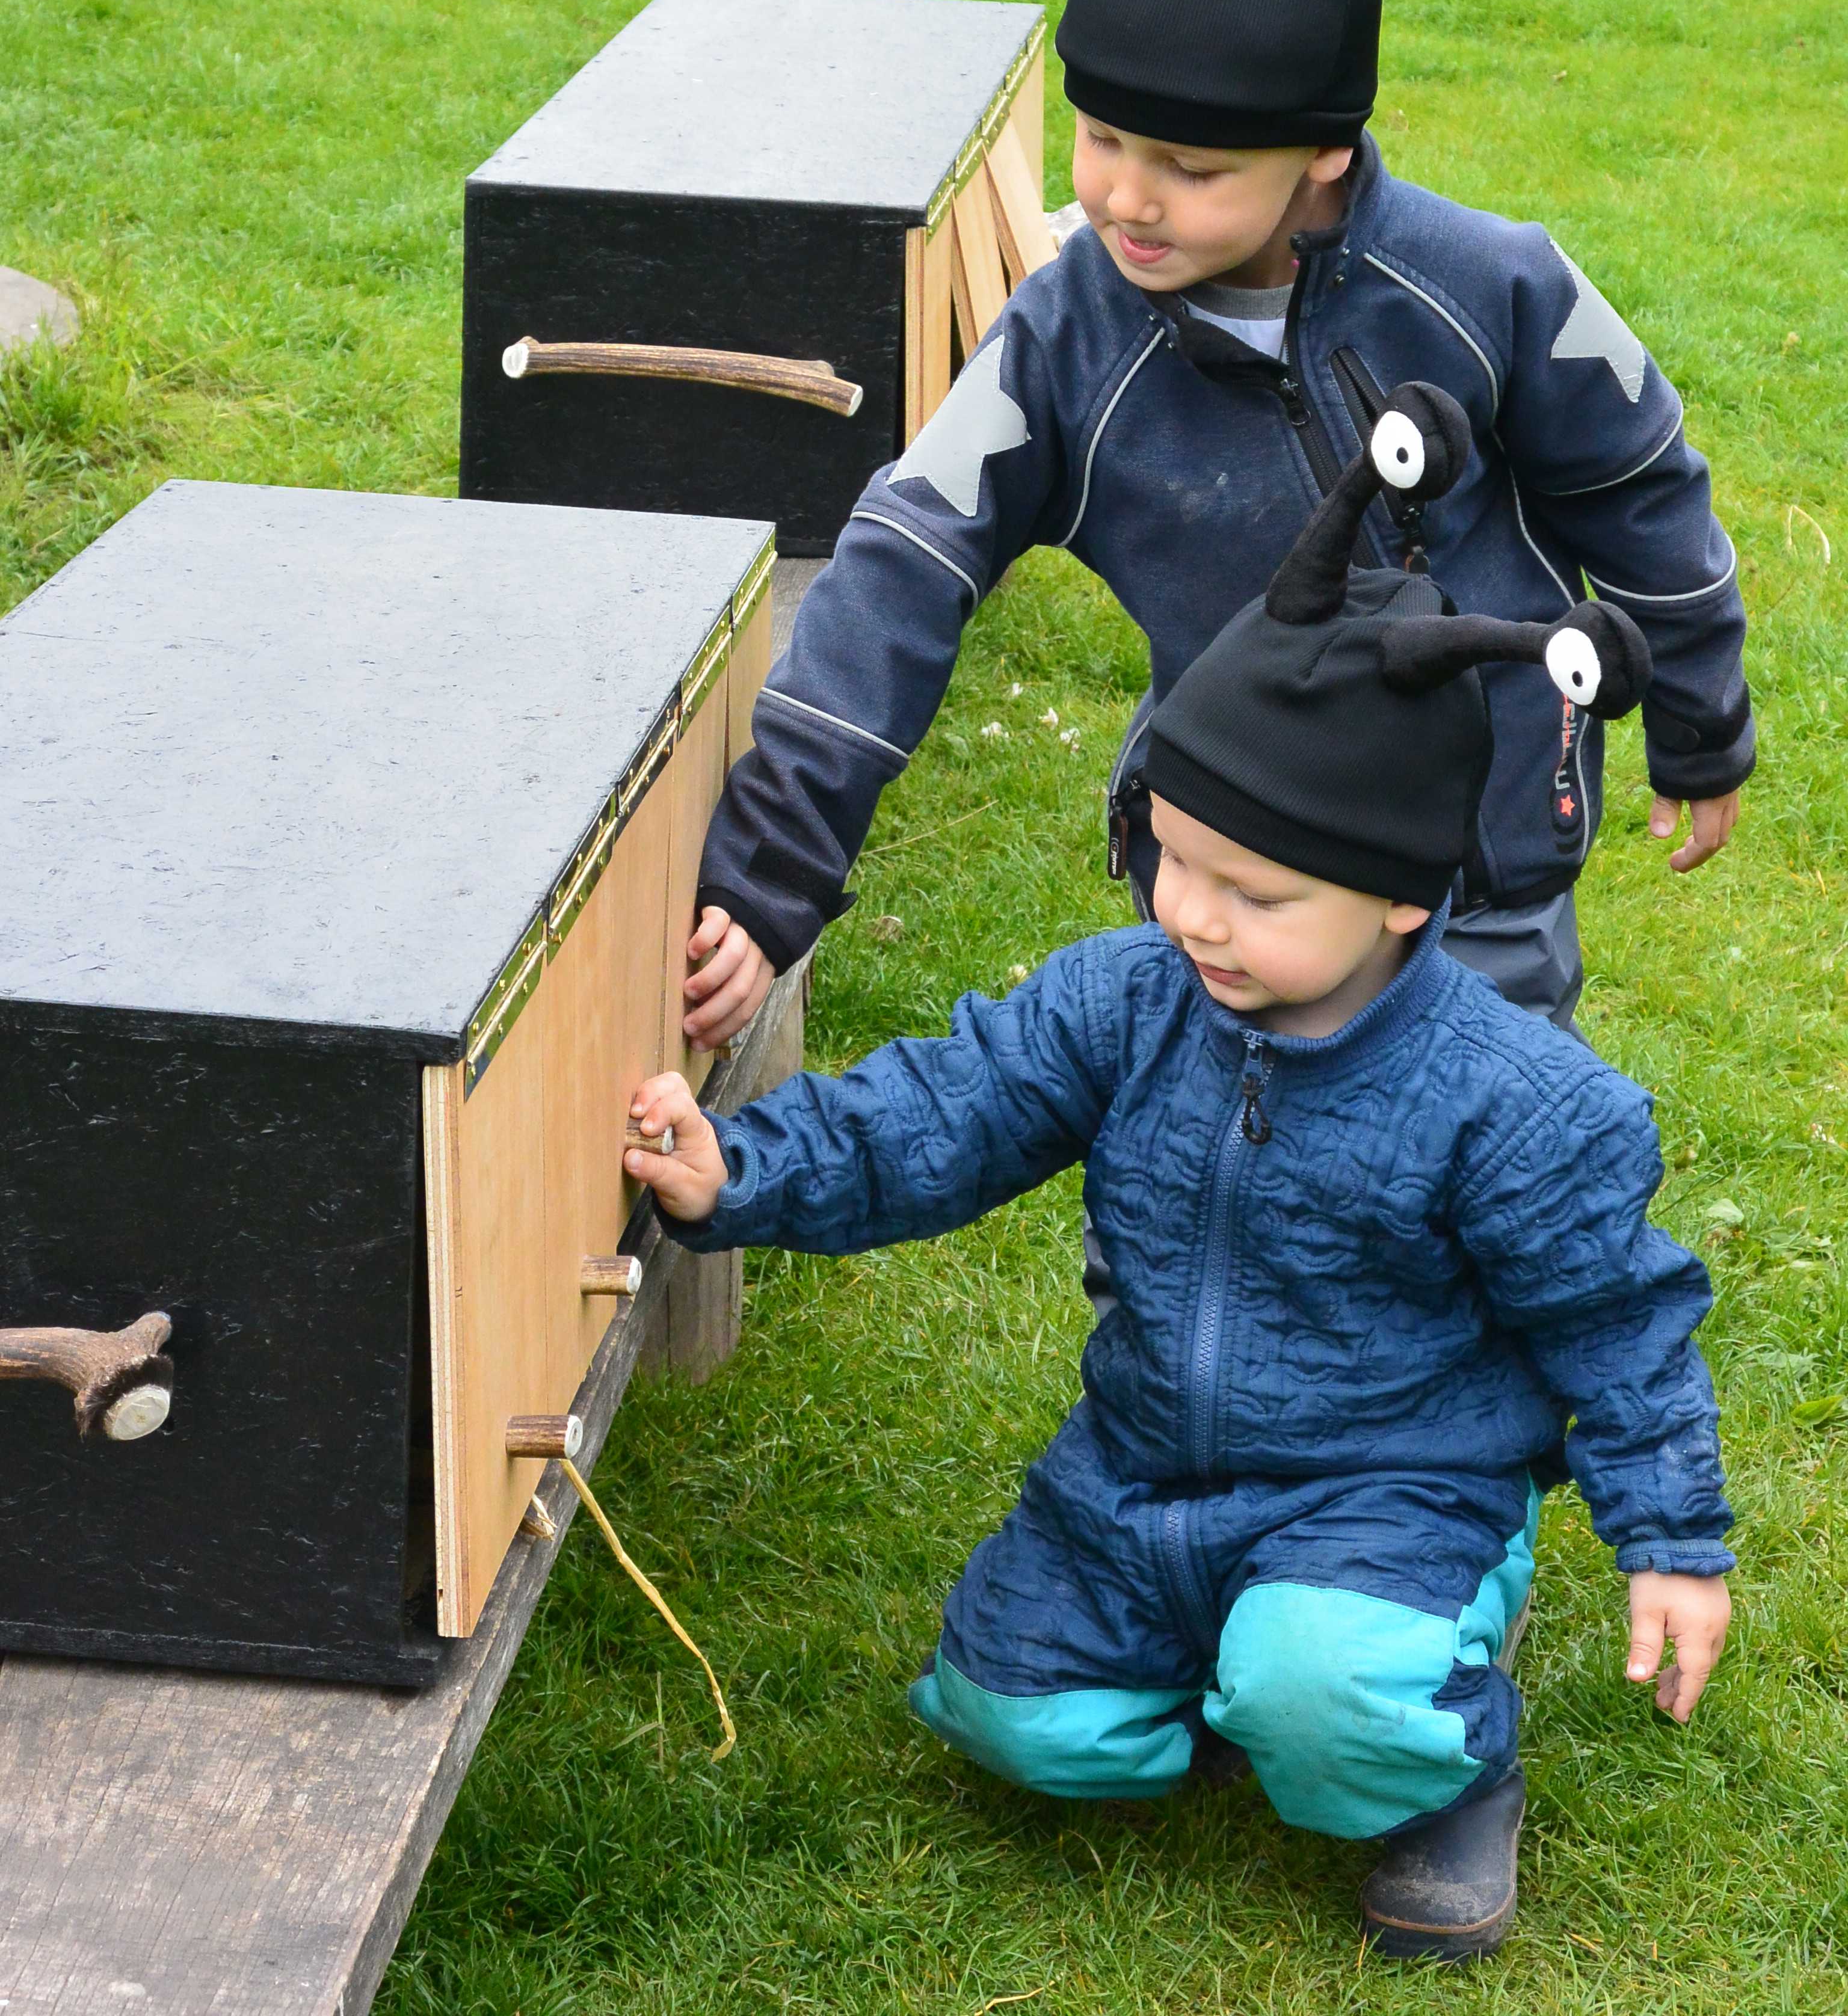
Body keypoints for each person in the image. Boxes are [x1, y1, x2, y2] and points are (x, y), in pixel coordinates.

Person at [630, 395, 1734, 1962]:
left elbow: (1619, 1331)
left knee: (1337, 1699)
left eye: (1256, 891)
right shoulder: (1128, 998)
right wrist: (741, 1162)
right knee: (1016, 1716)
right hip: (1144, 1477)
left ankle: (1440, 1750)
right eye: (1171, 856)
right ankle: (1270, 1676)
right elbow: (943, 1112)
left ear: (1405, 904)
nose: (1195, 915)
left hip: (1392, 1490)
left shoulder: (1514, 1105)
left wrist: (1674, 1542)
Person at [681, 0, 1752, 1056]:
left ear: (1321, 150)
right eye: (1104, 135)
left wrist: (1695, 707)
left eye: (1187, 166)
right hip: (1219, 888)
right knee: (1216, 1192)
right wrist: (770, 877)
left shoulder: (1487, 288)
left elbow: (1640, 480)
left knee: (1467, 1181)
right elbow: (904, 558)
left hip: (1478, 882)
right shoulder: (1070, 338)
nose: (1123, 193)